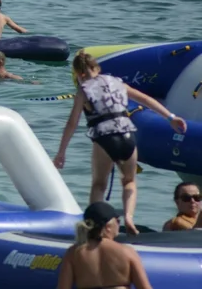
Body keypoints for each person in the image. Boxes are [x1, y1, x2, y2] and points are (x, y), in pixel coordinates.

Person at [54, 51, 188, 235]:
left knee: (99, 185)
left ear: (78, 73)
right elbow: (146, 99)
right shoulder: (117, 83)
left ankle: (95, 224)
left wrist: (61, 152)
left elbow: (72, 122)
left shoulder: (84, 90)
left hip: (104, 137)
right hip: (127, 135)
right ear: (97, 68)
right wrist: (171, 117)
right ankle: (129, 219)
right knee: (129, 181)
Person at [56, 201, 153, 289]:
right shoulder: (127, 252)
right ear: (108, 227)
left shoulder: (74, 253)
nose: (119, 224)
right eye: (117, 221)